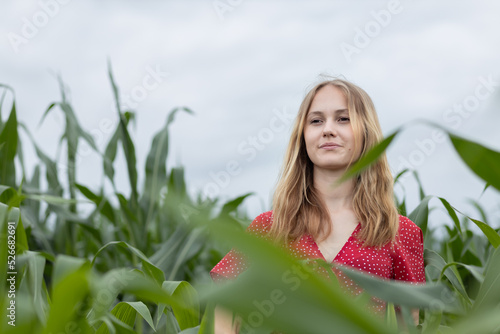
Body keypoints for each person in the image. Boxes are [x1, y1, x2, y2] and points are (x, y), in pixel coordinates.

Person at [210, 78, 425, 333]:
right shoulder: (271, 228)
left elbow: (411, 322)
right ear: (303, 136)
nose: (328, 130)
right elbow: (226, 303)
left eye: (343, 119)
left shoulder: (398, 232)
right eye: (316, 121)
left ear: (366, 132)